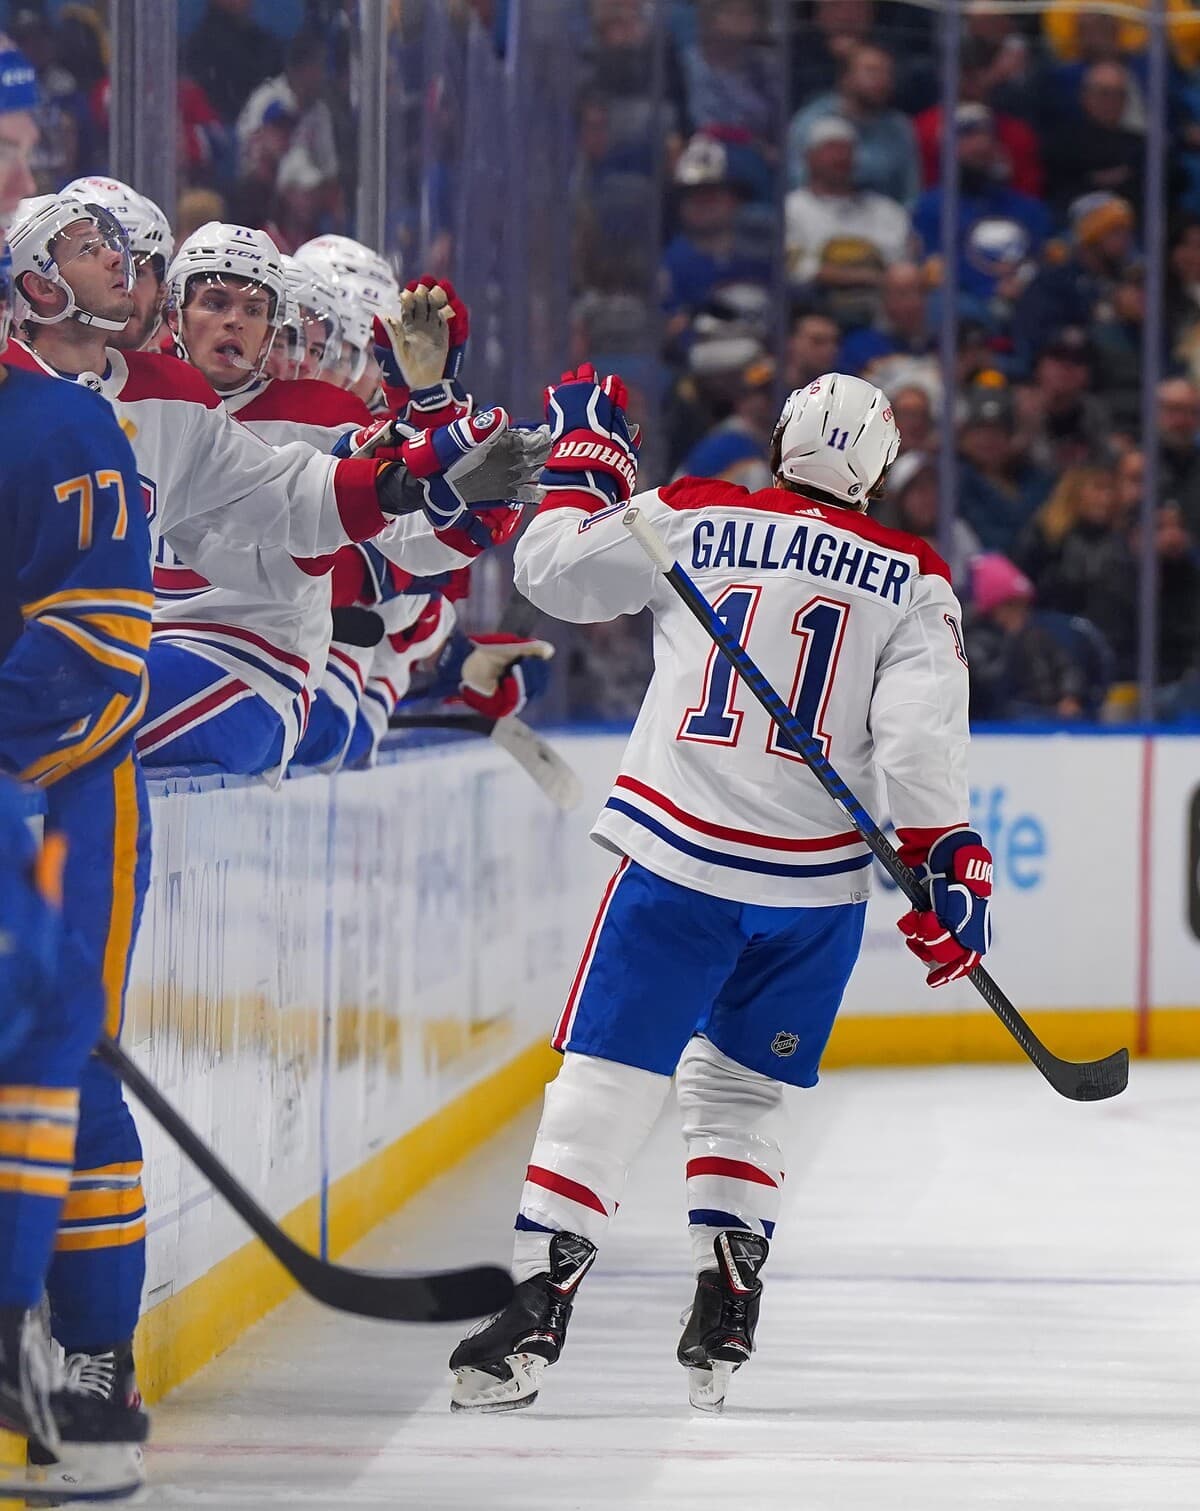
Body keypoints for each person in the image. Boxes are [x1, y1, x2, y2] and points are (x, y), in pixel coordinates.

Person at [3, 190, 542, 1404]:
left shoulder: (161, 412)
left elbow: (301, 500)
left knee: (71, 1058)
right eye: (96, 249)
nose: (128, 270)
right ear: (32, 273)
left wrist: (422, 466)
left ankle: (90, 1347)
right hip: (41, 754)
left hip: (84, 767)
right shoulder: (55, 403)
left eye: (139, 256)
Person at [448, 367, 993, 1414]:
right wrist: (945, 859)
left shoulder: (698, 511)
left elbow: (552, 572)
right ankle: (728, 1304)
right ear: (880, 471)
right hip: (816, 893)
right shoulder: (915, 574)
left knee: (608, 1077)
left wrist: (585, 466)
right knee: (742, 1092)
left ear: (781, 441)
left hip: (680, 863)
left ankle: (534, 1311)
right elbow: (918, 748)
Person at [0, 229, 151, 1499]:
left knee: (63, 1067)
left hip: (59, 803)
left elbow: (100, 651)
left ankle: (96, 1357)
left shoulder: (64, 427)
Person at [784, 117, 911, 292]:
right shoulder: (790, 208)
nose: (840, 156)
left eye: (846, 149)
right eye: (831, 148)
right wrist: (861, 277)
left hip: (881, 301)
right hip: (816, 301)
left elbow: (901, 266)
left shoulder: (886, 210)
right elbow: (797, 267)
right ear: (809, 157)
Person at [788, 44, 919, 206]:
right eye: (872, 72)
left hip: (884, 217)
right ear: (845, 78)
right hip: (820, 213)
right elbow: (796, 183)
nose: (882, 80)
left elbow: (910, 192)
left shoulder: (898, 127)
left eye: (887, 73)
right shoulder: (813, 120)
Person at [62, 176, 173, 352]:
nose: (126, 286)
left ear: (161, 289)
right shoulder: (17, 366)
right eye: (109, 267)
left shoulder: (181, 370)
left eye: (138, 271)